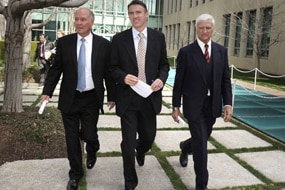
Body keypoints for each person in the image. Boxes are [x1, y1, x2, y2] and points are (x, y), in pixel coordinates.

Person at [40, 8, 115, 190]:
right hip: (70, 98)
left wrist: (112, 96)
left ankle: (92, 148)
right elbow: (55, 70)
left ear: (91, 22)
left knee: (89, 134)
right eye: (77, 19)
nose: (79, 23)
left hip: (91, 98)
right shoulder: (64, 42)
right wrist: (47, 91)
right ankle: (75, 174)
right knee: (71, 138)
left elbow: (108, 74)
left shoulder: (103, 45)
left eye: (83, 19)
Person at [109, 1, 169, 189]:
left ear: (146, 14)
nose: (134, 16)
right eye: (131, 13)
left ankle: (141, 150)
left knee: (148, 138)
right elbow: (112, 68)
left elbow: (164, 65)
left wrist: (161, 79)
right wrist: (123, 76)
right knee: (127, 142)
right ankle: (130, 182)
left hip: (149, 97)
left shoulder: (158, 37)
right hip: (128, 98)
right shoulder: (119, 39)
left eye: (138, 12)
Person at [172, 13, 233, 190]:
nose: (204, 31)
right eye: (201, 27)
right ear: (196, 29)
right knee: (201, 146)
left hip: (212, 107)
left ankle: (185, 146)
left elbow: (225, 80)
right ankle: (202, 185)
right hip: (193, 106)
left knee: (202, 138)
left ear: (213, 29)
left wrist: (227, 103)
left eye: (208, 27)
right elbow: (179, 82)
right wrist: (176, 106)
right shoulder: (186, 52)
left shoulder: (221, 51)